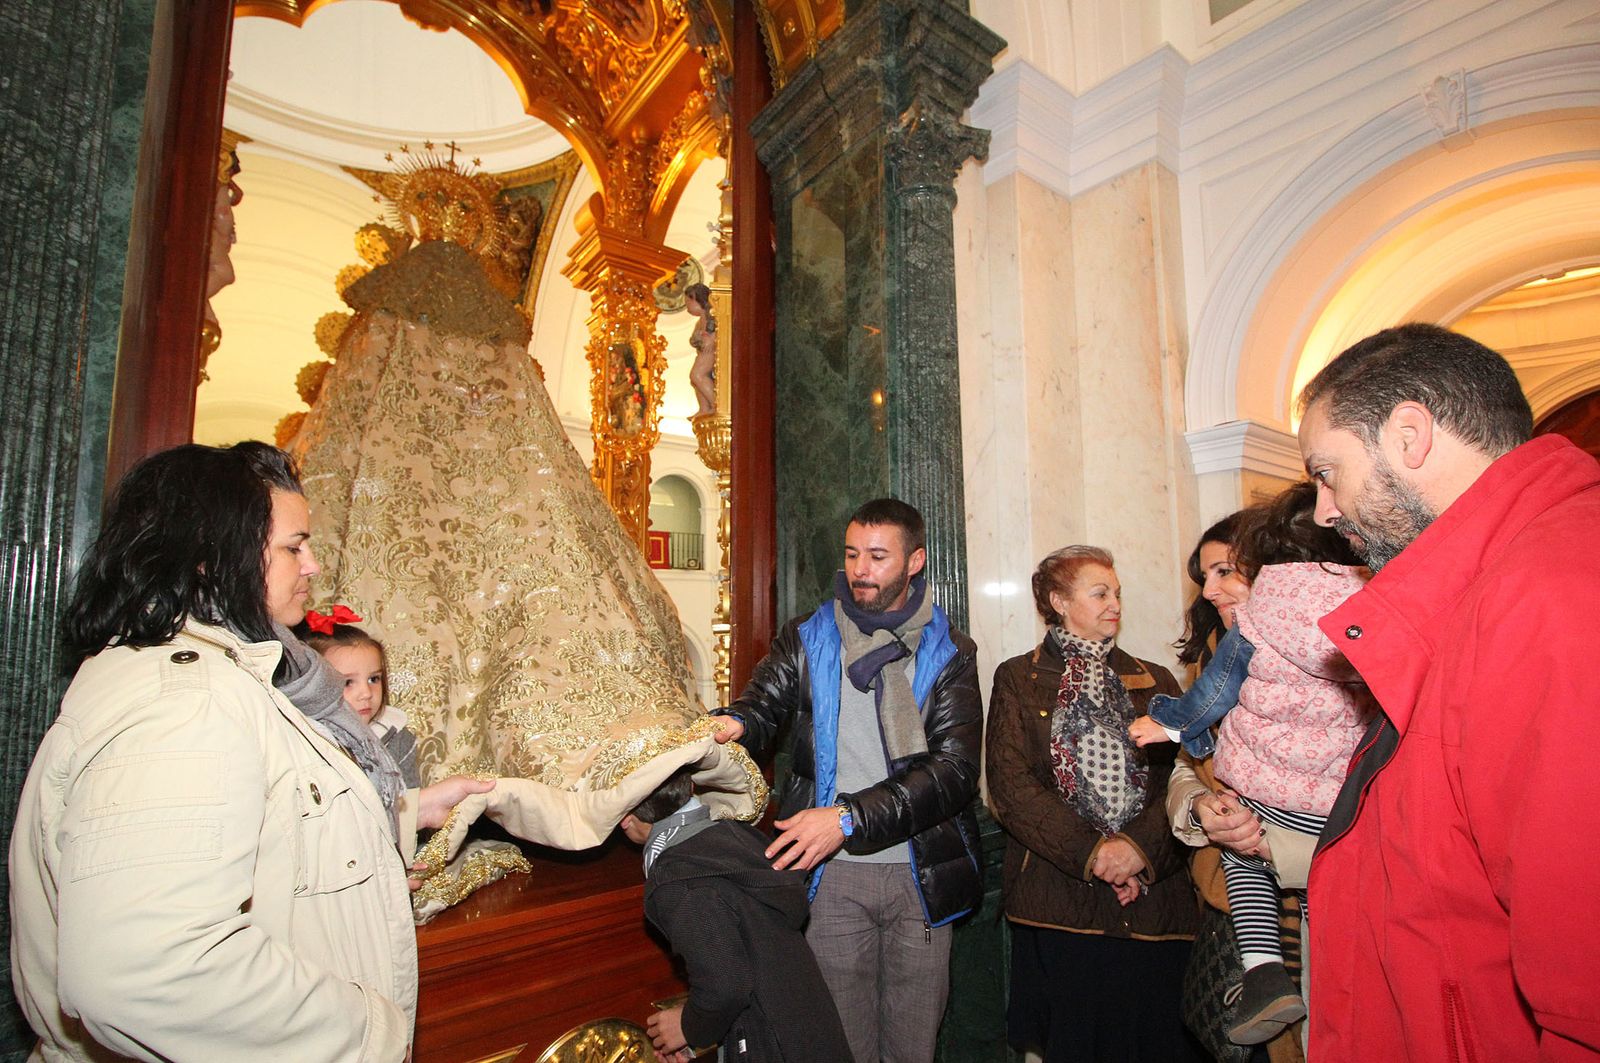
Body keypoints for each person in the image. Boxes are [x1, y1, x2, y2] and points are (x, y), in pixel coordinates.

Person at [8, 442, 490, 1062]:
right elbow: (147, 968)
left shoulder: (233, 676)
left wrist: (409, 810)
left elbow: (283, 831)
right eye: (294, 546)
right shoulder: (188, 703)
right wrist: (369, 1033)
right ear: (213, 557)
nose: (312, 565)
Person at [1297, 322, 1600, 1061]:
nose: (1322, 512)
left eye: (1327, 470)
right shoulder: (1487, 588)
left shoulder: (1554, 596)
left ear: (1409, 435)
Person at [712, 498, 982, 1063]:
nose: (860, 569)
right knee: (841, 1047)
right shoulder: (809, 637)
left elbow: (955, 772)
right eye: (853, 553)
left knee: (913, 1048)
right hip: (831, 881)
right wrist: (734, 722)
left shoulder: (950, 649)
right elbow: (763, 703)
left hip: (920, 877)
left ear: (915, 562)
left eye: (878, 556)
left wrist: (847, 817)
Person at [1129, 482, 1371, 1044]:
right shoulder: (1215, 657)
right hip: (1230, 913)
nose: (1211, 589)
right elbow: (1188, 768)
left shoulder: (1333, 640)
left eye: (1226, 571)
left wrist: (1267, 844)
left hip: (1322, 886)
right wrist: (1200, 810)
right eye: (1204, 576)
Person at [985, 545, 1202, 1063]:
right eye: (1099, 592)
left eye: (1118, 593)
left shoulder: (1157, 680)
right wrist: (1097, 854)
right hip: (1059, 902)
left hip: (1156, 907)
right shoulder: (1018, 677)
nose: (1115, 604)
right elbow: (1011, 788)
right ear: (1058, 600)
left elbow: (1182, 777)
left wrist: (1138, 852)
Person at [619, 767, 853, 1063]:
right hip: (809, 1031)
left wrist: (688, 1027)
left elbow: (726, 986)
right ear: (690, 786)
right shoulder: (736, 837)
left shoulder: (678, 879)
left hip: (771, 1046)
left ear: (625, 816)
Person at [299, 607, 421, 789]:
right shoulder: (300, 737)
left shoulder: (398, 739)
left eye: (374, 679)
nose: (366, 693)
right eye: (348, 682)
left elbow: (409, 808)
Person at [685, 282, 718, 416]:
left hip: (710, 352)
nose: (687, 306)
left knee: (697, 375)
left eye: (688, 302)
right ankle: (704, 408)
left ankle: (716, 404)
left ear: (696, 298)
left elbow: (721, 328)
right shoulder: (700, 322)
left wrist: (711, 339)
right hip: (702, 351)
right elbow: (693, 340)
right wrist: (698, 338)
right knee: (694, 380)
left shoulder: (713, 315)